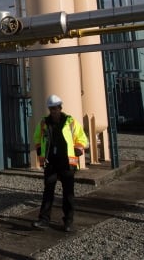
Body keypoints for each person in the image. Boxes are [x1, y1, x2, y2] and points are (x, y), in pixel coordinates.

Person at [32, 94, 88, 232]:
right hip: (50, 162)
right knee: (48, 192)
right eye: (51, 108)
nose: (53, 111)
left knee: (68, 193)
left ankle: (68, 222)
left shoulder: (70, 122)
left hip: (67, 162)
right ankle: (44, 220)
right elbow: (37, 137)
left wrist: (78, 150)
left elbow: (82, 138)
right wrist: (40, 151)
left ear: (60, 108)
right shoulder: (44, 123)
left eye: (55, 108)